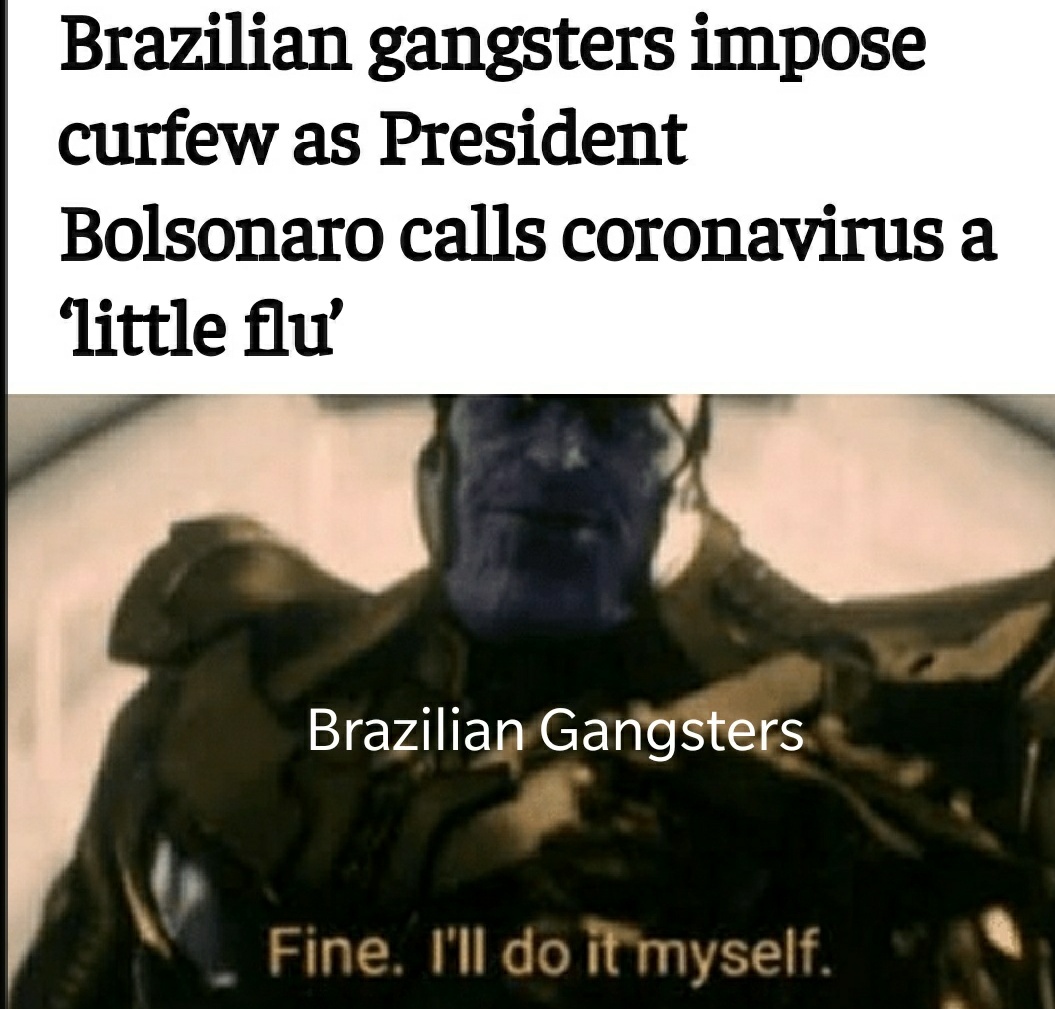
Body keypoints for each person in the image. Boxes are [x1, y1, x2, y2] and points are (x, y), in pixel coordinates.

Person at [12, 395, 1055, 1009]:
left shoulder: (877, 762)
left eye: (612, 420)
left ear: (687, 473)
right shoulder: (229, 714)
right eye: (516, 406)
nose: (556, 456)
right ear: (444, 446)